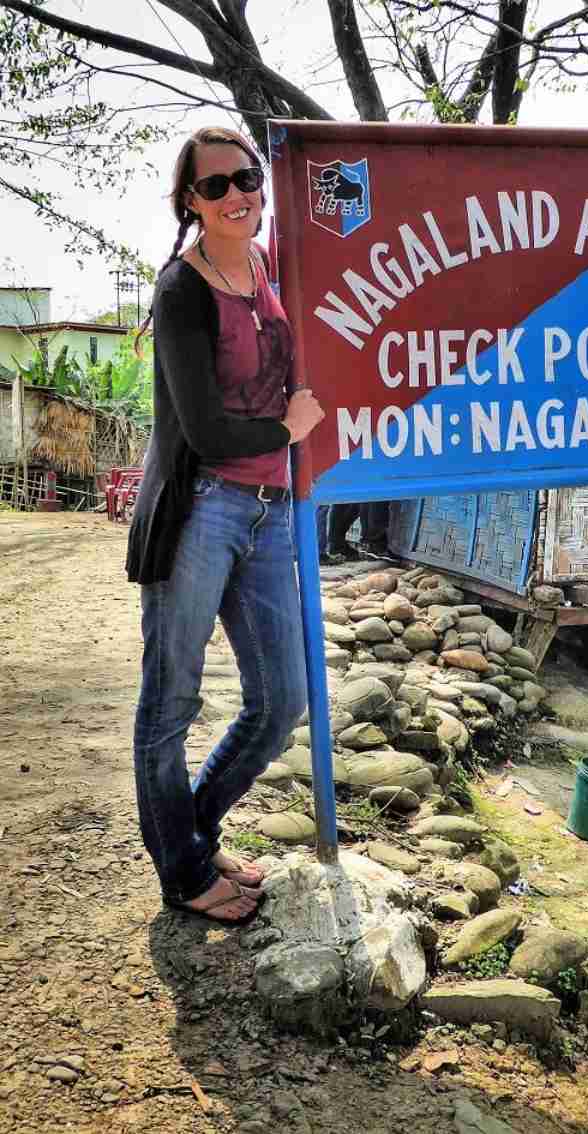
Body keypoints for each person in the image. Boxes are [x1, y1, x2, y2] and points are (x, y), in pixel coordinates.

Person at [126, 126, 325, 924]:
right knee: (170, 704)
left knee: (281, 701)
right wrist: (286, 429)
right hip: (200, 507)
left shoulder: (271, 266)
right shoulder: (182, 289)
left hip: (269, 511)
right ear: (192, 202)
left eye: (246, 178)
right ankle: (182, 875)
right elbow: (205, 428)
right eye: (216, 186)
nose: (237, 194)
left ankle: (194, 836)